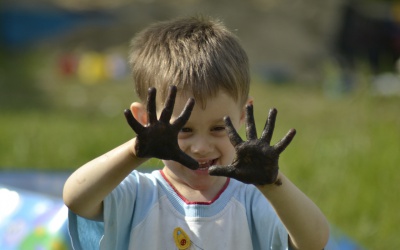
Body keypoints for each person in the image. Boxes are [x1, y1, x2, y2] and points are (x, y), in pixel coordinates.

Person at [63, 16, 330, 249]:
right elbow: (76, 198)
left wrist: (273, 182)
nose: (201, 147)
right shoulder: (138, 196)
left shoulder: (251, 200)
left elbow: (314, 241)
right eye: (184, 129)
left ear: (242, 115)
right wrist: (136, 149)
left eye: (217, 128)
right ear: (146, 121)